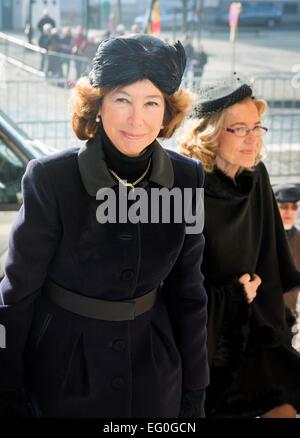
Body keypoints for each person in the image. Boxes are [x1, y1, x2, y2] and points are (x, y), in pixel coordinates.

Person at [0, 34, 209, 418]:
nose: (137, 119)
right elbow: (16, 296)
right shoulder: (51, 179)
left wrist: (196, 386)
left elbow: (189, 293)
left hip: (155, 373)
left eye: (151, 103)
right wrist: (7, 386)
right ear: (97, 106)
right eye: (122, 100)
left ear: (167, 112)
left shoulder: (187, 178)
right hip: (63, 374)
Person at [181, 80, 300, 418]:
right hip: (204, 341)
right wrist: (233, 296)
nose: (254, 137)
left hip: (255, 327)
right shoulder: (185, 185)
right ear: (210, 132)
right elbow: (174, 281)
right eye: (240, 129)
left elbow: (270, 259)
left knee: (285, 401)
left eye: (257, 127)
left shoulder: (256, 175)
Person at [274, 184, 300, 317]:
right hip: (265, 312)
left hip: (290, 313)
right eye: (284, 206)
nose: (289, 212)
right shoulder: (265, 235)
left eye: (294, 207)